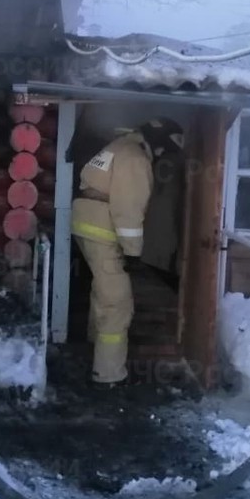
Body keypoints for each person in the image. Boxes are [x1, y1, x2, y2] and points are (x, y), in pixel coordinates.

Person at [71, 117, 185, 386]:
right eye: (165, 149)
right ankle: (108, 375)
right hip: (102, 230)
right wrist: (133, 254)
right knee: (117, 302)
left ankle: (91, 350)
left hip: (87, 224)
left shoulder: (119, 146)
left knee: (103, 289)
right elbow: (128, 211)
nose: (162, 155)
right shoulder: (135, 158)